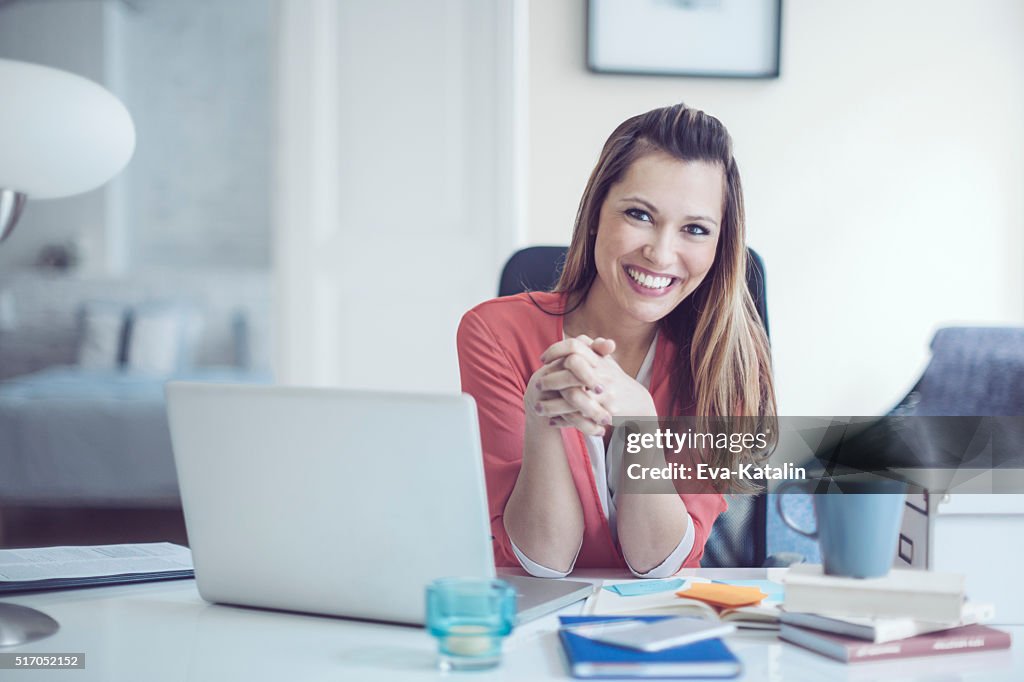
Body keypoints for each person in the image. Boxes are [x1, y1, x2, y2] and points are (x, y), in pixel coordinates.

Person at [457, 103, 776, 578]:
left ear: (718, 245)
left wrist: (639, 416)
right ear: (595, 216)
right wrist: (543, 413)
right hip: (530, 616)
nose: (661, 252)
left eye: (694, 229)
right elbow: (543, 560)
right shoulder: (493, 333)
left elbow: (659, 561)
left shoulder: (726, 358)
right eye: (639, 215)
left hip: (665, 621)